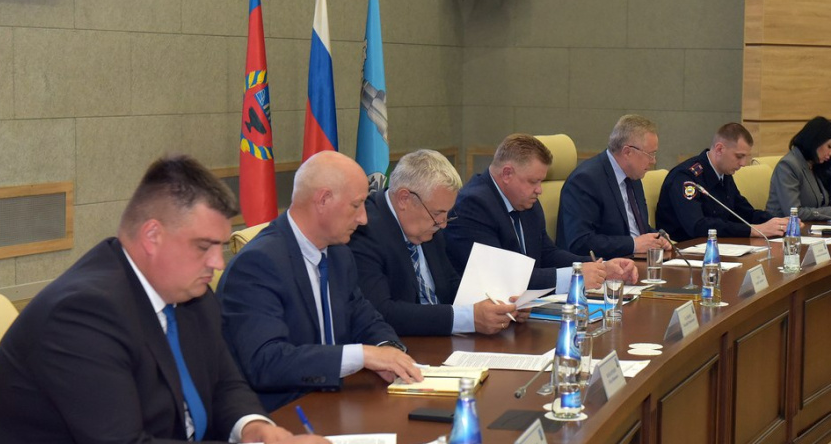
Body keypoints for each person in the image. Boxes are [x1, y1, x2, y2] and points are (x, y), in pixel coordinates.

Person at [0, 156, 334, 444]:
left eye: (220, 246)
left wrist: (252, 427)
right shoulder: (82, 313)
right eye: (204, 246)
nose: (218, 263)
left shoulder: (189, 292)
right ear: (152, 236)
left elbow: (224, 382)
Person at [218, 151, 422, 412]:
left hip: (335, 402)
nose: (363, 219)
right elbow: (266, 361)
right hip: (283, 413)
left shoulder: (339, 253)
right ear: (323, 199)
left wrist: (388, 350)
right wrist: (363, 355)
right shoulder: (257, 264)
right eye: (356, 205)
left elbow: (365, 318)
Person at [349, 149, 518, 336]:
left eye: (446, 213)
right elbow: (381, 312)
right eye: (438, 213)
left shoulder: (427, 224)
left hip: (445, 341)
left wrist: (499, 306)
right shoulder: (364, 230)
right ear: (404, 199)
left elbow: (449, 283)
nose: (443, 224)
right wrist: (468, 318)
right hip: (402, 344)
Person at [445, 134, 637, 293]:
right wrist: (575, 276)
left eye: (541, 182)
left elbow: (547, 254)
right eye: (533, 181)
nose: (539, 190)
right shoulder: (473, 204)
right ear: (507, 174)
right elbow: (500, 277)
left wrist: (600, 267)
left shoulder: (526, 202)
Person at [556, 114, 671, 257]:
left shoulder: (633, 176)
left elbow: (637, 228)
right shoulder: (585, 180)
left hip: (635, 260)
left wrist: (657, 237)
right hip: (603, 265)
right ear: (627, 152)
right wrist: (634, 245)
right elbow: (580, 242)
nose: (653, 161)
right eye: (650, 154)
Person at [656, 122, 787, 242]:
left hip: (719, 245)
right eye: (739, 156)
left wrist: (778, 222)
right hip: (684, 249)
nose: (743, 163)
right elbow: (698, 226)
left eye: (746, 157)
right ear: (719, 149)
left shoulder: (724, 173)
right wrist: (752, 230)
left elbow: (743, 212)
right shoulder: (686, 177)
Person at [766, 116, 831, 222]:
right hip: (783, 229)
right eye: (829, 146)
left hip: (809, 227)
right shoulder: (788, 166)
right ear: (815, 141)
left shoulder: (814, 164)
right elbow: (794, 213)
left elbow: (821, 205)